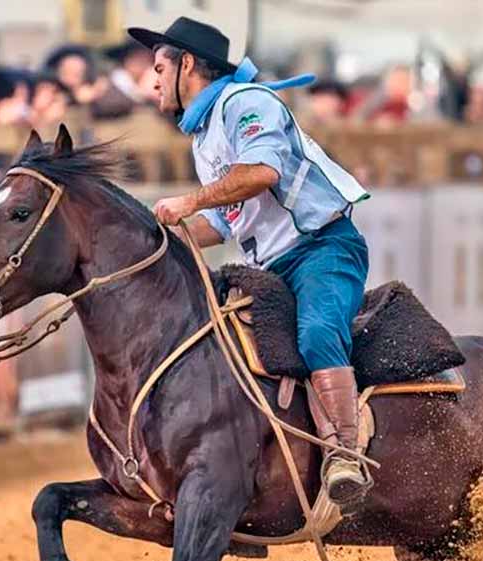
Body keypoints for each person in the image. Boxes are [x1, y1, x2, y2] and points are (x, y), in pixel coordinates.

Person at [128, 17, 373, 512]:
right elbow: (223, 224)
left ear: (188, 65)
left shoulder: (246, 103)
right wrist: (153, 243)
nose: (153, 80)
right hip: (272, 266)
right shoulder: (204, 134)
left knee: (317, 331)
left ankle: (345, 455)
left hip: (323, 248)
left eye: (159, 67)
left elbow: (262, 172)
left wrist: (189, 201)